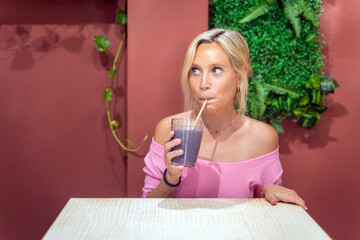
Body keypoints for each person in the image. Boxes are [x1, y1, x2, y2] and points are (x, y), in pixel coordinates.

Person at [141, 28, 306, 209]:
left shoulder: (263, 138)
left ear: (239, 77)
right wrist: (170, 178)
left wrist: (271, 191)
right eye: (195, 70)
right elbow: (147, 207)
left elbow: (267, 211)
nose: (203, 84)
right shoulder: (169, 129)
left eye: (216, 70)